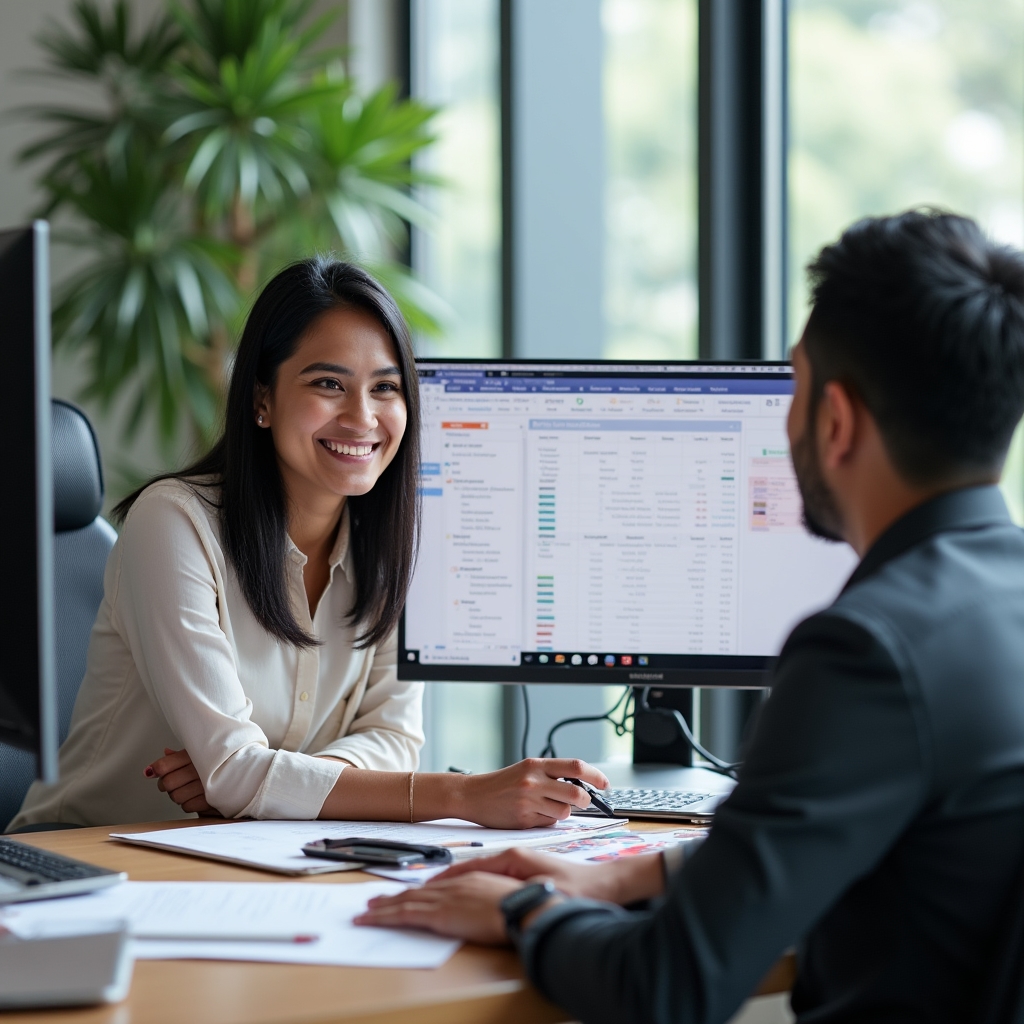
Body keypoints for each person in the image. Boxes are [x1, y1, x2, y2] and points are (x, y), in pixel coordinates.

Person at [356, 210, 1024, 1023]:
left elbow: (667, 986)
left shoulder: (867, 651)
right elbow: (836, 837)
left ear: (837, 421)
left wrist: (519, 911)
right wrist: (622, 874)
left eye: (795, 387)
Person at [12, 258, 605, 830]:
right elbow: (234, 772)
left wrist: (266, 786)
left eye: (386, 388)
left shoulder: (398, 542)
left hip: (248, 853)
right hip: (87, 859)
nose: (362, 417)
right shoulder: (172, 524)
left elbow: (394, 740)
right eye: (329, 383)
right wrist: (464, 793)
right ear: (262, 400)